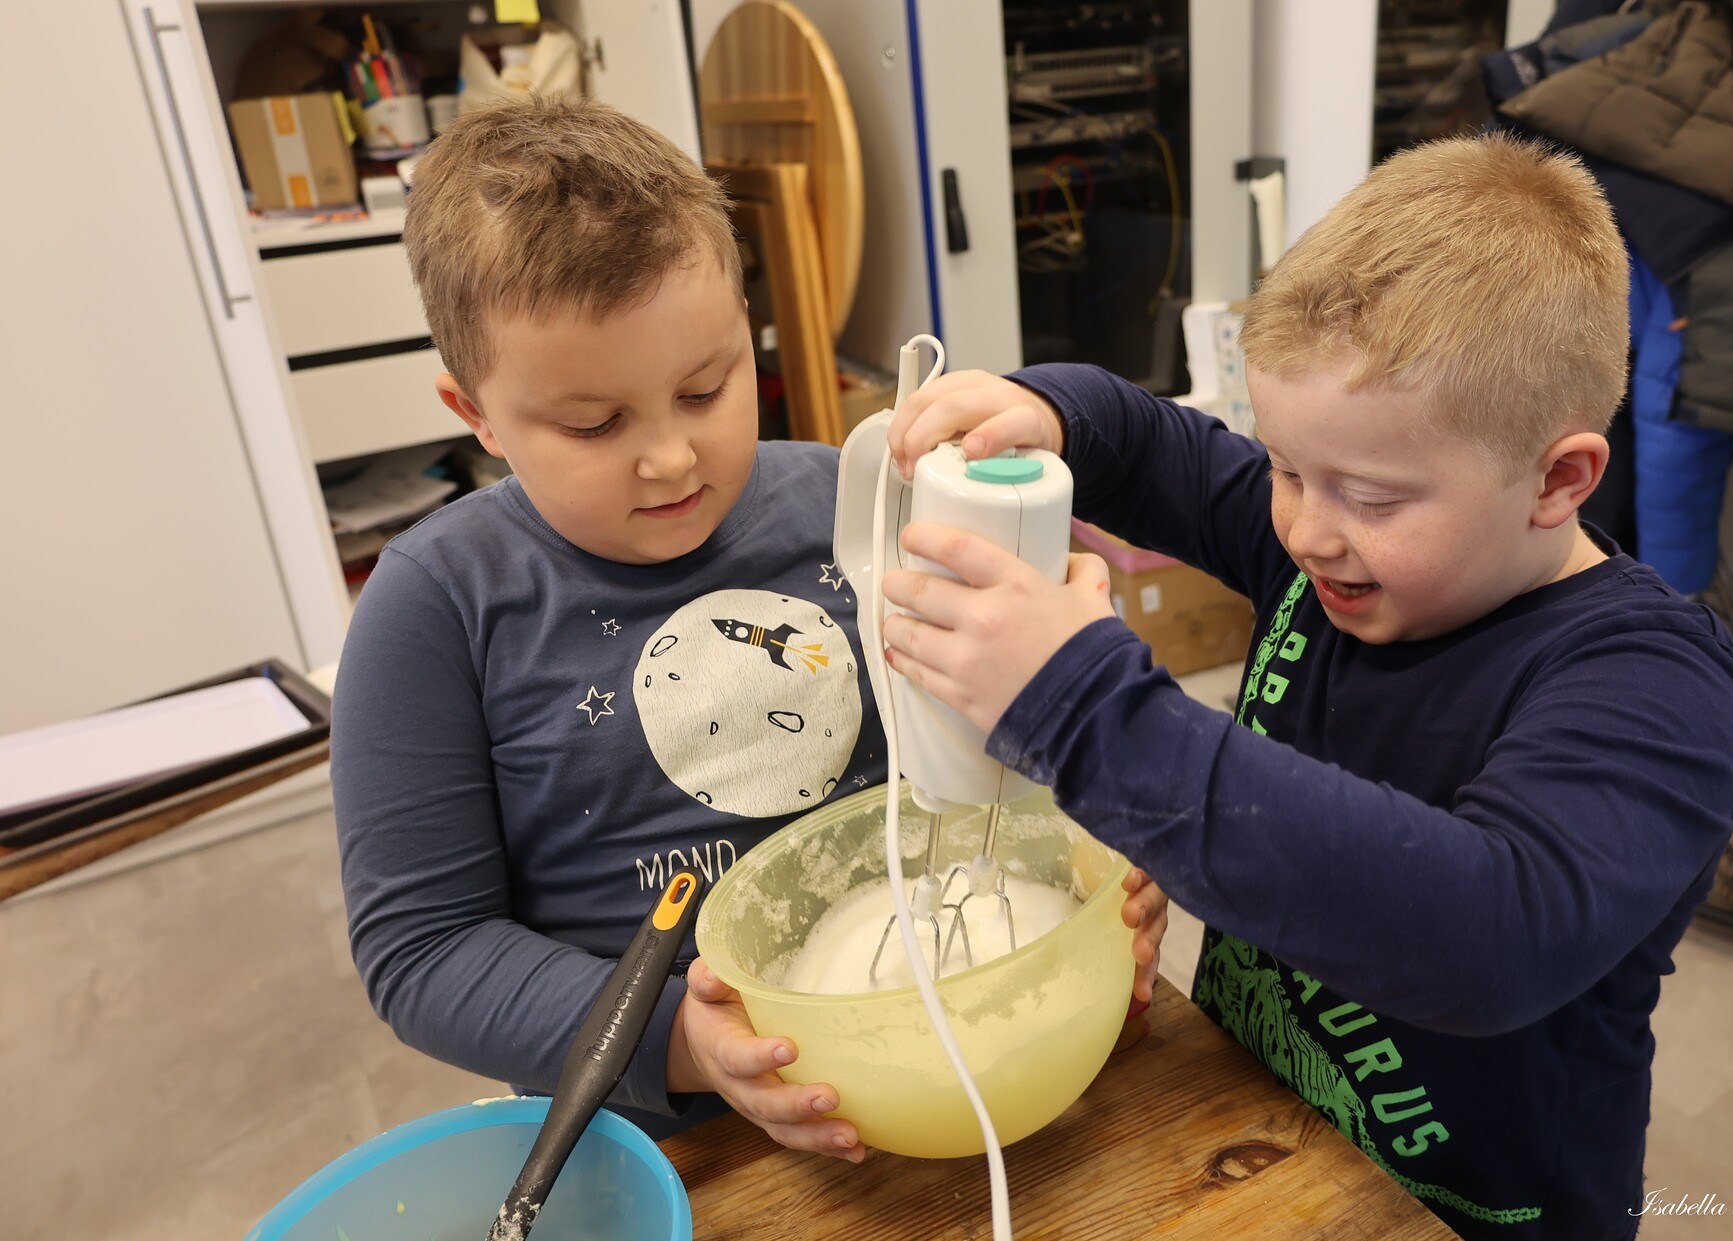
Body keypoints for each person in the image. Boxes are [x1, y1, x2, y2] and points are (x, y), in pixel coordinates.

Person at [877, 132, 1733, 1239]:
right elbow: (1147, 442)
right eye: (1285, 465)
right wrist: (1041, 411)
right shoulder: (1322, 547)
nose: (1303, 527)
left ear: (1557, 479)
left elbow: (1491, 934)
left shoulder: (1654, 682)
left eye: (1370, 498)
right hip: (1254, 1133)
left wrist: (1086, 707)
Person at [330, 94, 1171, 1159]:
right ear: (476, 414)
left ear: (745, 323)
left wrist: (1101, 866)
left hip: (969, 1055)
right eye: (594, 423)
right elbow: (424, 950)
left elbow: (1000, 746)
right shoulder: (434, 607)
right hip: (674, 1142)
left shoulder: (854, 508)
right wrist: (678, 1040)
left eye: (706, 387)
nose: (670, 457)